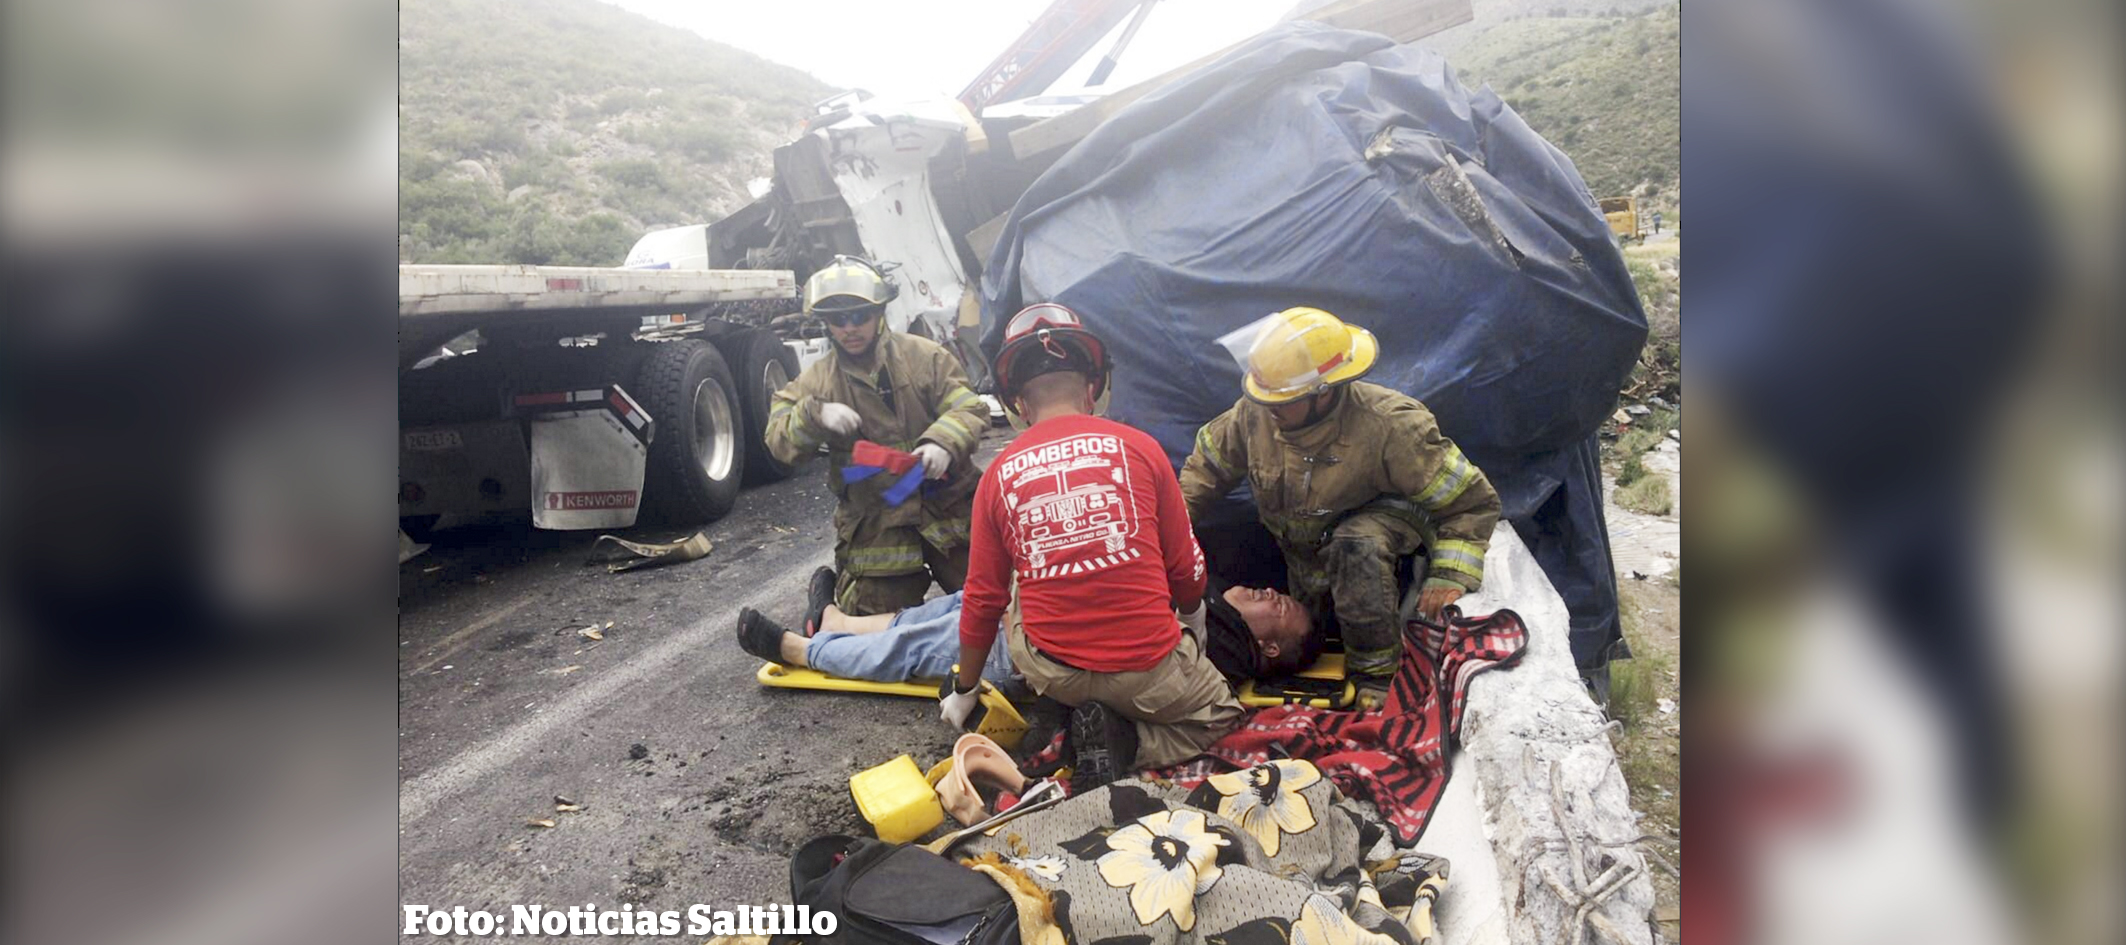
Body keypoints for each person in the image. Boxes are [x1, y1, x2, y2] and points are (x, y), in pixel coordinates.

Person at [945, 304, 1244, 787]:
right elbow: (1186, 568)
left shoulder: (997, 476)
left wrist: (964, 688)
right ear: (1092, 388)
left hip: (1053, 668)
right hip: (1150, 673)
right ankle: (1127, 741)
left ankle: (1066, 712)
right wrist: (1191, 626)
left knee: (1025, 559)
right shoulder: (1141, 448)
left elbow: (982, 598)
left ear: (1019, 404)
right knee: (1221, 714)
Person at [1181, 307, 1501, 699]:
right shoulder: (1258, 412)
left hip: (1382, 558)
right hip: (1308, 566)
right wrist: (1166, 536)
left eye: (1282, 400)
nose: (1269, 409)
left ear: (1324, 392)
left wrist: (1449, 575)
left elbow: (1472, 503)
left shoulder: (1392, 426)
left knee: (1355, 542)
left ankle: (1377, 679)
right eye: (1263, 397)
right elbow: (1204, 471)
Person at [762, 256, 989, 615]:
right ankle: (825, 613)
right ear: (826, 324)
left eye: (860, 316)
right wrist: (814, 414)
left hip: (951, 511)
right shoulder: (818, 382)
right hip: (878, 526)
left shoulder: (925, 358)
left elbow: (970, 407)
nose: (850, 328)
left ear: (879, 312)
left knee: (996, 605)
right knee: (871, 629)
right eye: (838, 320)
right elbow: (777, 438)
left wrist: (942, 441)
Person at [733, 577, 1315, 688]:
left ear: (1267, 646)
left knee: (921, 650)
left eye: (1280, 608)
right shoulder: (1208, 602)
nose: (1270, 593)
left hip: (1040, 649)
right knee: (960, 604)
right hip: (1047, 608)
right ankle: (841, 622)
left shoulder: (1224, 652)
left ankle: (804, 649)